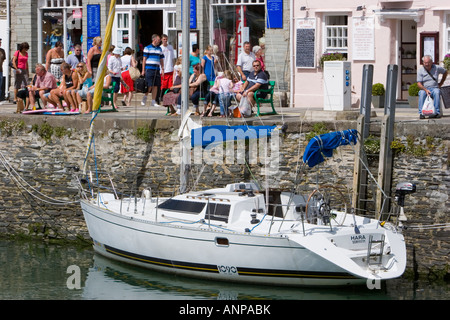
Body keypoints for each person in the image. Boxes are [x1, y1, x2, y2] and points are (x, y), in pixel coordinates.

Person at [141, 34, 164, 107]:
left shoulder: (159, 49)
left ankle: (153, 101)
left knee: (156, 85)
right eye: (158, 39)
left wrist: (162, 68)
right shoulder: (147, 48)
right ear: (154, 39)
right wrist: (143, 70)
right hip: (149, 68)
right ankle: (145, 97)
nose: (159, 41)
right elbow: (144, 59)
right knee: (149, 85)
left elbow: (161, 59)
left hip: (156, 69)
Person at [160, 34, 176, 103]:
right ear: (161, 40)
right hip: (163, 69)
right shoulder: (160, 48)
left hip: (170, 68)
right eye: (164, 39)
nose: (165, 41)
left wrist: (174, 66)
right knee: (163, 84)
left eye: (166, 39)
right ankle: (161, 97)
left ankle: (169, 98)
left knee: (170, 84)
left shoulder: (170, 47)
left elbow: (173, 58)